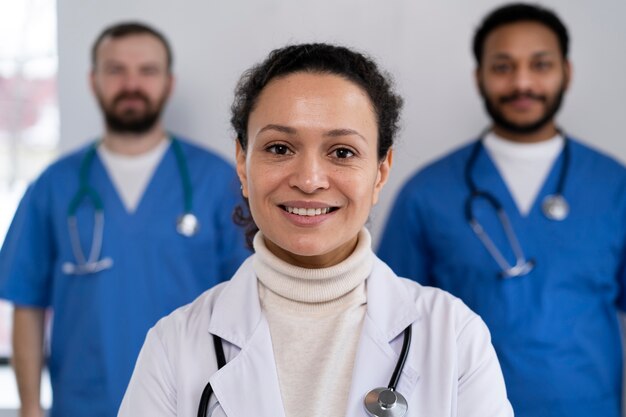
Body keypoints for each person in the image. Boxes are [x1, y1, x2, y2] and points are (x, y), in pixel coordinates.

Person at [118, 43, 513, 417]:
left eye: (342, 152)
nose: (309, 180)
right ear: (242, 162)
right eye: (279, 149)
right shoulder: (173, 346)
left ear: (381, 171)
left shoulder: (454, 336)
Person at [378, 3, 626, 417]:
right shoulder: (428, 192)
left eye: (540, 65)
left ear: (566, 71)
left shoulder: (614, 185)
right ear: (479, 77)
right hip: (461, 407)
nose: (522, 82)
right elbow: (389, 321)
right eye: (503, 66)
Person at [0, 22, 249, 417]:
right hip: (84, 402)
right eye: (115, 70)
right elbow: (26, 305)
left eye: (147, 71)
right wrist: (30, 407)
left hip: (194, 400)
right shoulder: (54, 185)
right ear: (93, 81)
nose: (131, 83)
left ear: (168, 83)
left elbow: (250, 299)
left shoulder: (218, 181)